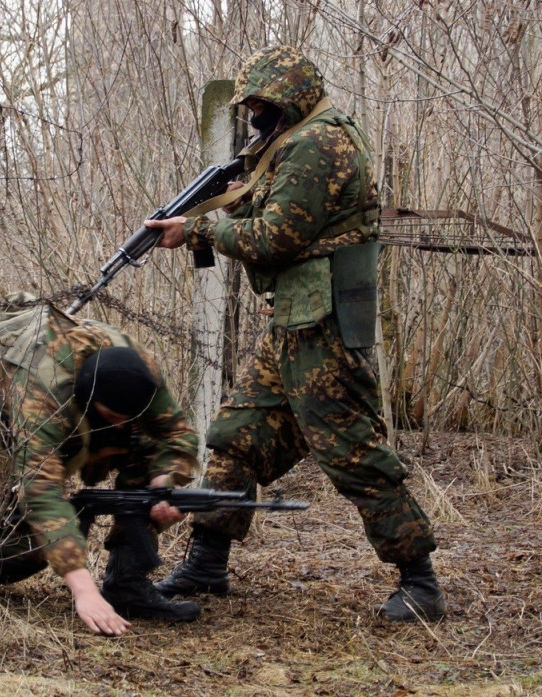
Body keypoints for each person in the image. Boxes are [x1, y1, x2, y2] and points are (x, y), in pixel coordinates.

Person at [143, 46, 446, 622]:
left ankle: (420, 580)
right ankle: (208, 563)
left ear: (293, 96)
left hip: (325, 326)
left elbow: (273, 239)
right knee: (236, 435)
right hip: (293, 318)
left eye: (263, 103)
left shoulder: (317, 144)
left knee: (353, 451)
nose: (256, 114)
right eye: (252, 104)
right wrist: (202, 224)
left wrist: (203, 227)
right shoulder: (291, 140)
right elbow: (258, 213)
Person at [0, 295, 202, 636]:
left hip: (80, 416)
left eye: (130, 418)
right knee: (26, 552)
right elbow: (41, 491)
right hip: (5, 427)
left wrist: (165, 483)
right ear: (90, 399)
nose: (123, 427)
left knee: (147, 446)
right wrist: (84, 591)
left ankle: (127, 584)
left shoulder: (142, 373)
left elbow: (176, 436)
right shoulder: (43, 390)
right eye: (114, 418)